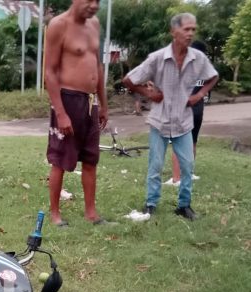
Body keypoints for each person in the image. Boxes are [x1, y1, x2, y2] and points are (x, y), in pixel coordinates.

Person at [123, 13, 217, 220]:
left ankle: (184, 206)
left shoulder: (198, 58)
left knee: (187, 166)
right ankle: (150, 204)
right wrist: (149, 94)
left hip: (184, 122)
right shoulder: (157, 58)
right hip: (160, 121)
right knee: (155, 165)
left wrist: (200, 94)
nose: (191, 33)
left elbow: (213, 76)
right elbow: (128, 79)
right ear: (173, 32)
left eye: (193, 29)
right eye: (186, 29)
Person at [44, 0, 109, 227]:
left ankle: (91, 213)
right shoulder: (57, 25)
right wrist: (61, 113)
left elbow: (97, 66)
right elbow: (49, 72)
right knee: (60, 160)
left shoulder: (95, 24)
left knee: (91, 159)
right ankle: (55, 214)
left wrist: (103, 103)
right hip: (67, 99)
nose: (94, 5)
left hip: (90, 102)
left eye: (98, 1)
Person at [166, 41, 210, 187]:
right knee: (192, 142)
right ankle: (189, 174)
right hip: (198, 109)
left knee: (178, 144)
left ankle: (177, 178)